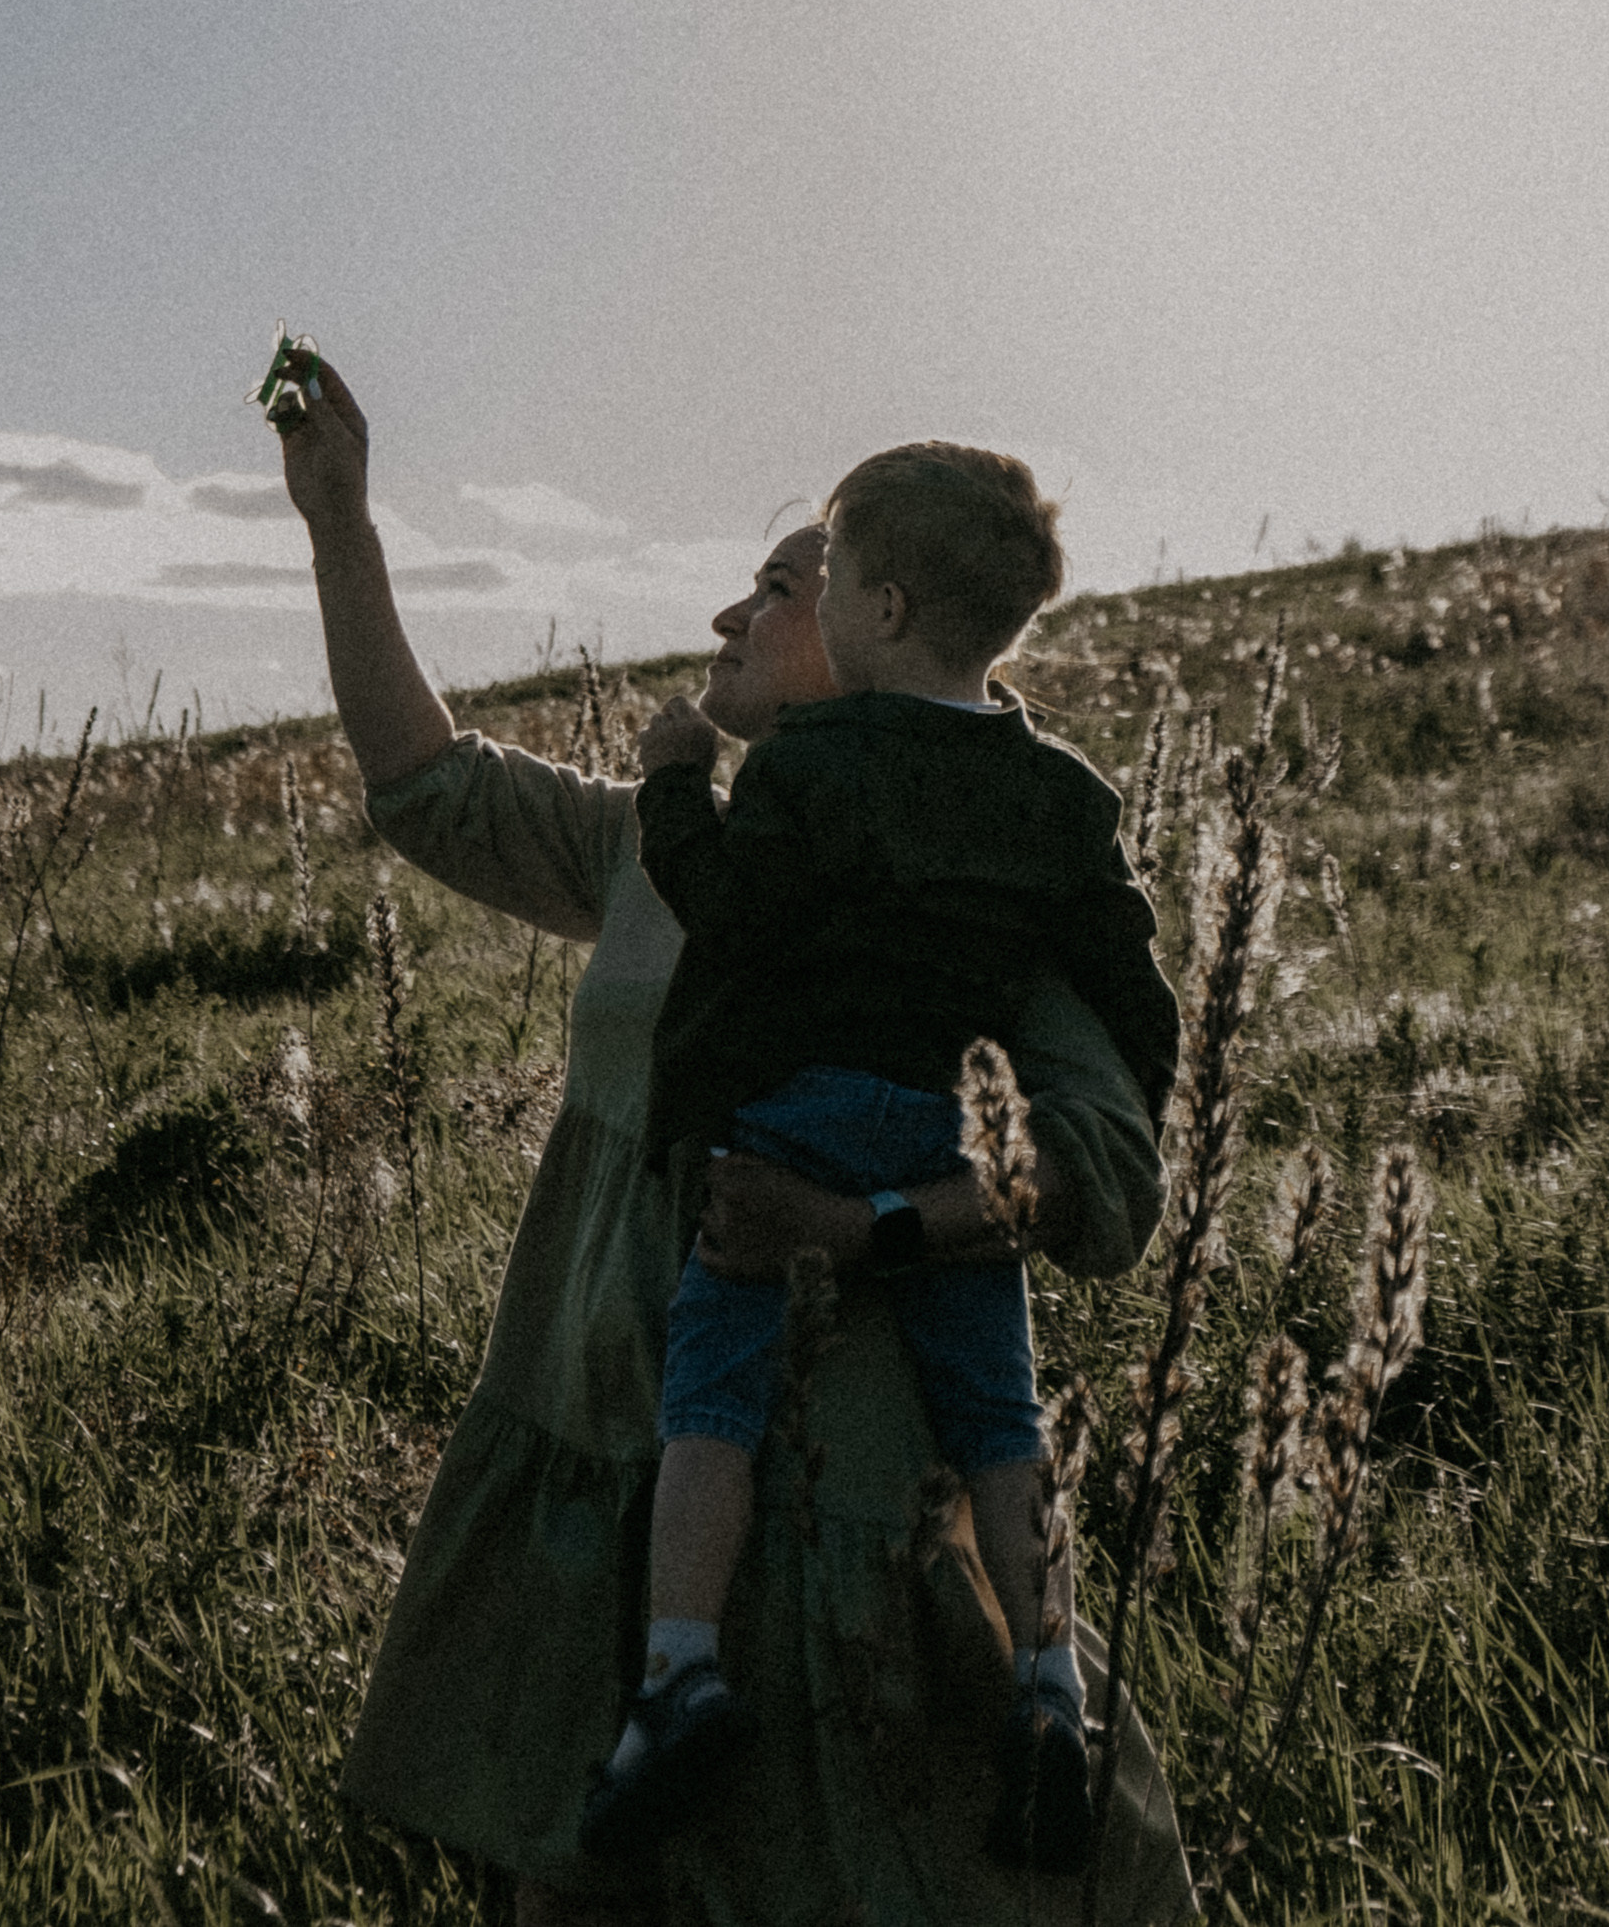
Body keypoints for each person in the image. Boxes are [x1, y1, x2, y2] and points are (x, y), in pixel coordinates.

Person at [273, 356, 1198, 1927]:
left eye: (780, 588)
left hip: (833, 1510)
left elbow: (1102, 1182)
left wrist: (861, 1230)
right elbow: (430, 789)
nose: (732, 616)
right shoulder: (679, 842)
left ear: (879, 628)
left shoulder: (980, 901)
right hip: (602, 1455)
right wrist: (340, 523)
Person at [580, 443, 1178, 1880]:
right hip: (944, 1129)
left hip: (797, 1121)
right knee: (1001, 1423)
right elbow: (1133, 984)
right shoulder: (1064, 795)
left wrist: (675, 786)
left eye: (831, 575)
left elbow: (729, 913)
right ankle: (1049, 1688)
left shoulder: (812, 763)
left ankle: (676, 1671)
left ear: (888, 608)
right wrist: (1139, 1094)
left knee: (712, 1393)